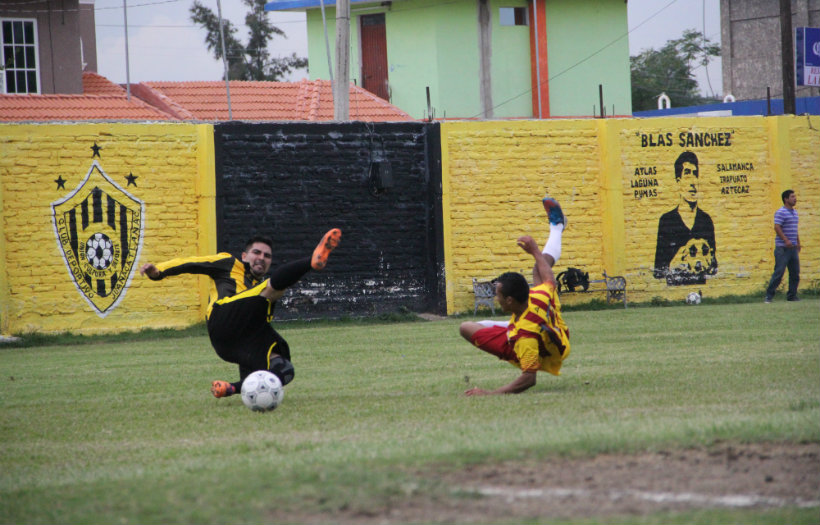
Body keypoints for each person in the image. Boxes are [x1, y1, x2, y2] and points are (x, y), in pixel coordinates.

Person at [139, 228, 342, 398]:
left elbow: (261, 322)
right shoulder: (228, 263)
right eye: (257, 253)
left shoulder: (260, 292)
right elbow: (192, 262)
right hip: (222, 318)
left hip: (231, 345)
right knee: (273, 289)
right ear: (245, 256)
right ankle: (312, 262)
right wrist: (159, 271)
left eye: (267, 256)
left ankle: (232, 388)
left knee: (284, 369)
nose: (261, 258)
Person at [458, 196, 570, 396]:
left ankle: (558, 226)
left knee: (466, 328)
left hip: (545, 349)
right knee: (540, 268)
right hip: (554, 332)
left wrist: (490, 394)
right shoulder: (540, 294)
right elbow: (548, 277)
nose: (496, 298)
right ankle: (557, 226)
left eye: (498, 295)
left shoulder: (524, 337)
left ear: (509, 300)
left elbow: (529, 379)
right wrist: (535, 251)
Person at [653, 151, 717, 286]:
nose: (693, 182)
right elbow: (658, 272)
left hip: (702, 288)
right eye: (687, 174)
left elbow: (714, 268)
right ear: (678, 181)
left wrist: (708, 261)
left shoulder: (706, 220)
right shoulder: (666, 220)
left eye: (695, 174)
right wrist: (674, 264)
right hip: (672, 291)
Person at [765, 190, 801, 302]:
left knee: (795, 273)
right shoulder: (781, 212)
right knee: (779, 272)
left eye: (795, 196)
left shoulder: (795, 213)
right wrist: (786, 240)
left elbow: (795, 229)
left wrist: (798, 242)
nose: (795, 198)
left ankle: (792, 296)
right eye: (792, 197)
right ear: (786, 199)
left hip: (793, 248)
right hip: (783, 248)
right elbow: (777, 227)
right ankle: (769, 296)